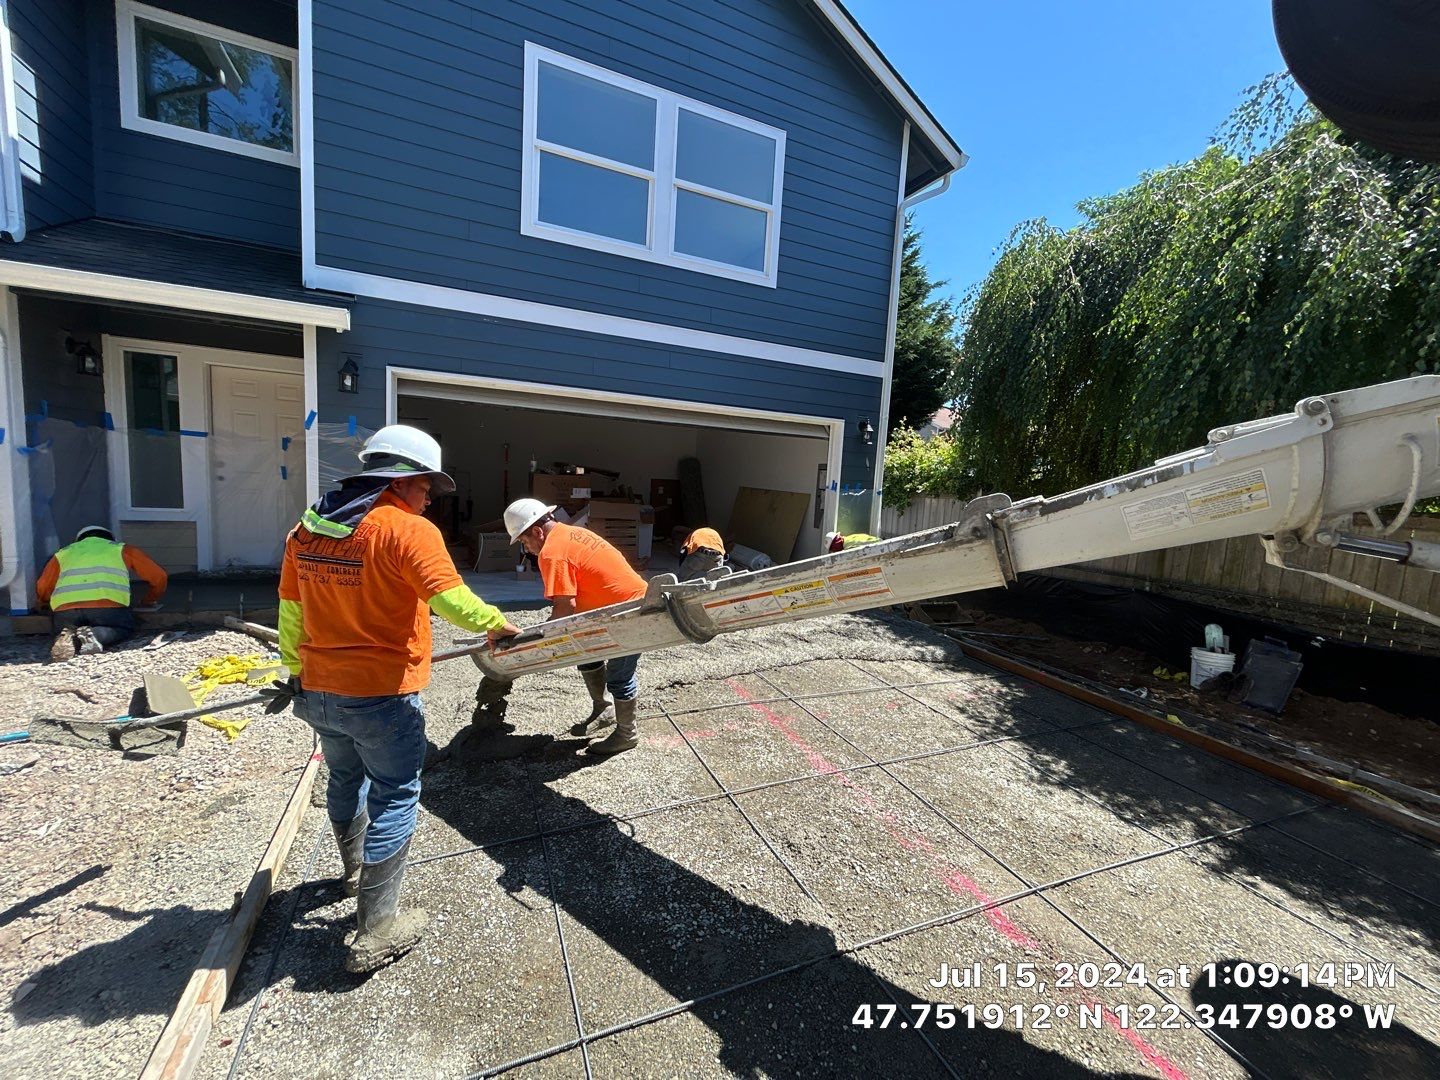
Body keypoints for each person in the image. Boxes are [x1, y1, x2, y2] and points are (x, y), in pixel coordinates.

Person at [279, 424, 520, 974]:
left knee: (344, 778)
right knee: (395, 793)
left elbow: (290, 613)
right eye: (427, 487)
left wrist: (297, 671)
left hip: (317, 689)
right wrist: (496, 625)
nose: (430, 498)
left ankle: (352, 874)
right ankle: (377, 929)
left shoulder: (306, 530)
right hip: (381, 694)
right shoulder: (404, 530)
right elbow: (450, 600)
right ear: (404, 481)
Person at [477, 497, 648, 754]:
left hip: (630, 612)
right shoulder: (572, 532)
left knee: (619, 677)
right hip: (616, 607)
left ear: (537, 531)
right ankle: (603, 710)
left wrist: (544, 637)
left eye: (524, 542)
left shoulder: (552, 553)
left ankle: (627, 734)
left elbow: (564, 607)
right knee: (587, 655)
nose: (527, 550)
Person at [35, 525, 168, 661]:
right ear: (111, 539)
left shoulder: (62, 554)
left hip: (65, 610)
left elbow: (43, 585)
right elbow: (159, 576)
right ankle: (95, 635)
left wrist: (43, 603)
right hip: (107, 608)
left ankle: (69, 637)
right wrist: (149, 599)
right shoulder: (121, 549)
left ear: (79, 540)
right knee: (122, 628)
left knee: (67, 628)